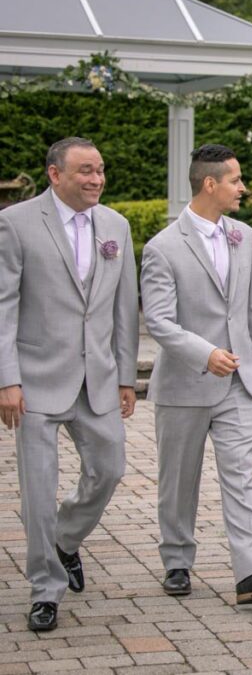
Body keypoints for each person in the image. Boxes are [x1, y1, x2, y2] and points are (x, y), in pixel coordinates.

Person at [141, 144, 252, 605]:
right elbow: (160, 322)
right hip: (184, 384)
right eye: (236, 180)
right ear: (210, 184)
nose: (243, 188)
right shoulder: (162, 248)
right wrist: (205, 352)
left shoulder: (245, 237)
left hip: (238, 384)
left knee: (242, 475)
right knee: (178, 480)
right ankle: (176, 561)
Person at [0, 137, 139, 631]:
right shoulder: (16, 223)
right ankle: (45, 588)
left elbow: (125, 308)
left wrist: (126, 375)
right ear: (55, 174)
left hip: (98, 378)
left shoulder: (116, 226)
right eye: (85, 171)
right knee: (37, 491)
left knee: (110, 469)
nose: (96, 179)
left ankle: (65, 540)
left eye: (100, 170)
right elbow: (4, 306)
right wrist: (7, 379)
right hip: (34, 381)